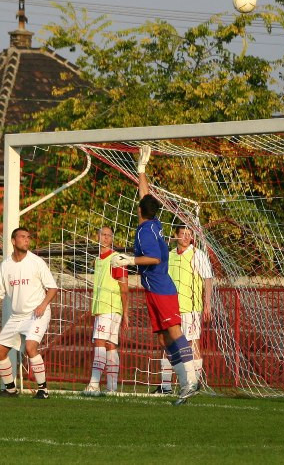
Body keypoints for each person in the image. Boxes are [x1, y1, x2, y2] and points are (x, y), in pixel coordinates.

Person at [112, 146, 198, 405]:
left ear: (139, 211)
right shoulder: (154, 223)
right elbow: (145, 194)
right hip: (153, 288)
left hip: (161, 287)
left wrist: (130, 260)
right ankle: (184, 383)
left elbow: (156, 258)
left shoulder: (145, 232)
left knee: (173, 330)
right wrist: (141, 170)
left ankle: (191, 379)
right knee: (162, 337)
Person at [0, 227, 58, 399]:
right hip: (16, 316)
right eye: (22, 237)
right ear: (13, 241)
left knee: (31, 347)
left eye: (28, 237)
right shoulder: (6, 265)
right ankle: (10, 389)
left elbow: (53, 288)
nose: (26, 240)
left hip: (36, 313)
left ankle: (43, 390)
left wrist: (43, 305)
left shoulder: (36, 262)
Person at [156, 224, 213, 393]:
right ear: (175, 235)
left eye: (189, 234)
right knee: (167, 343)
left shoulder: (198, 254)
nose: (187, 237)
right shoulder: (169, 255)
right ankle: (165, 386)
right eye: (183, 234)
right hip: (171, 308)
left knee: (192, 344)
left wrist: (207, 304)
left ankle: (194, 383)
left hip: (192, 309)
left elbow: (208, 280)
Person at [83, 226, 129, 396]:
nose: (106, 238)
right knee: (110, 346)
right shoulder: (98, 260)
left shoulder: (116, 258)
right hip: (104, 307)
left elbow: (124, 286)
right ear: (98, 236)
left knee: (100, 342)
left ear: (112, 238)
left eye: (109, 236)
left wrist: (126, 312)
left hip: (109, 307)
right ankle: (111, 388)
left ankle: (94, 385)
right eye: (103, 235)